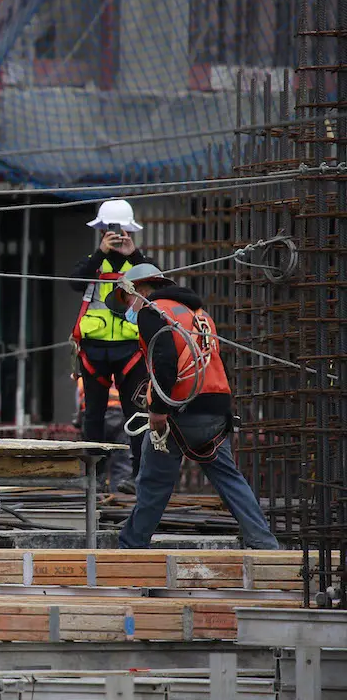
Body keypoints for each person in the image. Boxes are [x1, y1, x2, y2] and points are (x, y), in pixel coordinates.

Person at [108, 264, 280, 549]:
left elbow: (164, 361)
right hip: (215, 410)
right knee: (230, 480)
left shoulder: (153, 312)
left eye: (127, 299)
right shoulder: (199, 315)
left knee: (153, 484)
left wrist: (158, 411)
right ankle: (264, 543)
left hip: (178, 412)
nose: (129, 307)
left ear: (139, 289)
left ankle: (131, 546)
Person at [70, 199, 152, 494]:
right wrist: (100, 252)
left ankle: (138, 475)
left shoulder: (139, 264)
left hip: (130, 349)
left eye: (121, 230)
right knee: (93, 414)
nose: (117, 235)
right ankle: (94, 476)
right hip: (95, 350)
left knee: (135, 414)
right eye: (111, 230)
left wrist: (136, 255)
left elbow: (160, 285)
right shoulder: (94, 261)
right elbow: (75, 282)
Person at [74, 377, 133, 492]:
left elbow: (79, 404)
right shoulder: (122, 372)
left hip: (94, 420)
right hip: (119, 417)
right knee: (122, 463)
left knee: (94, 463)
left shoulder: (85, 377)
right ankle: (118, 497)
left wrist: (79, 422)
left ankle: (95, 496)